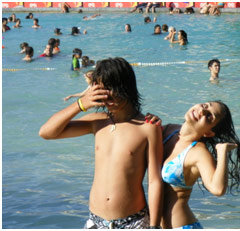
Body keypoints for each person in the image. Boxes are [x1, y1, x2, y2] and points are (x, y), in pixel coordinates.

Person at [39, 57, 163, 229]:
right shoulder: (98, 122)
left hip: (133, 221)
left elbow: (155, 181)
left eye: (110, 88)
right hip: (95, 221)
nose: (106, 95)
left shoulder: (147, 127)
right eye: (101, 89)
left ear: (126, 87)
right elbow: (46, 132)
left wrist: (154, 226)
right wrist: (80, 104)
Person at [147, 101, 240, 228]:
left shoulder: (198, 152)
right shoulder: (169, 130)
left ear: (208, 133)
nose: (202, 111)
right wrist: (150, 124)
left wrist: (221, 152)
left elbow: (218, 189)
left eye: (209, 116)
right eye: (204, 105)